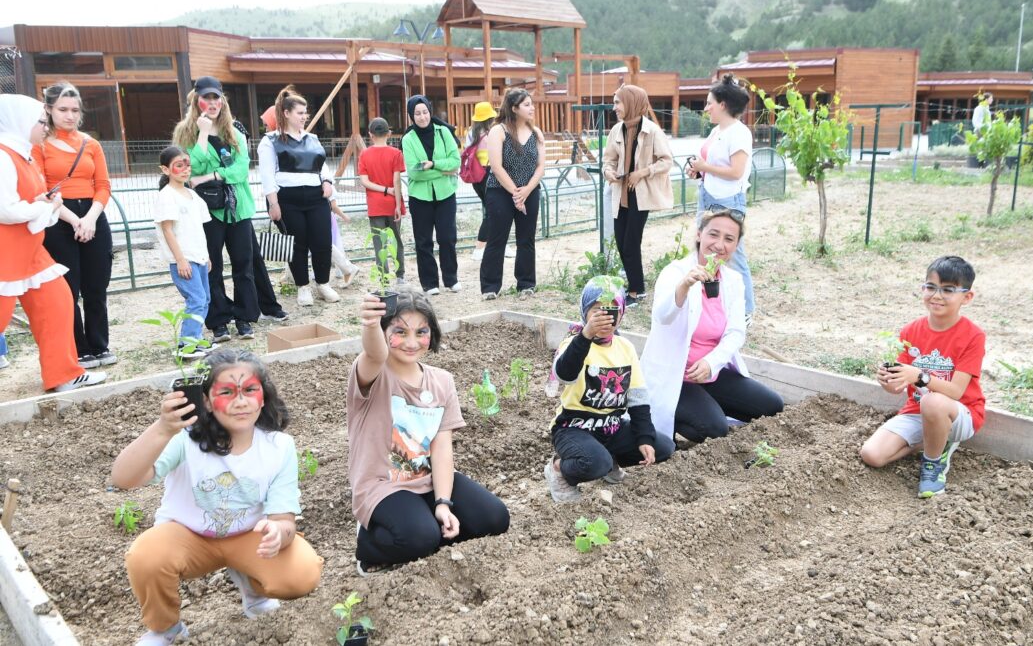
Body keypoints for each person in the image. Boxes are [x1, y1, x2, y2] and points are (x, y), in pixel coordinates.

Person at [112, 349, 323, 645]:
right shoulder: (184, 440)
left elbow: (283, 518)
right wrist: (162, 429)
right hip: (188, 535)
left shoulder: (279, 447)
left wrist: (279, 533)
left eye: (250, 390)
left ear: (263, 396)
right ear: (207, 401)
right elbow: (123, 478)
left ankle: (253, 588)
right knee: (147, 556)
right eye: (226, 392)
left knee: (302, 572)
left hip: (249, 534)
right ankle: (166, 627)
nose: (240, 401)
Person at [349, 289, 509, 572]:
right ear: (385, 333)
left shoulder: (441, 381)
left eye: (421, 332)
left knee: (495, 518)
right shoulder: (374, 374)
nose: (411, 342)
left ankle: (422, 529)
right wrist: (371, 325)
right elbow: (374, 352)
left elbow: (441, 447)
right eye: (399, 332)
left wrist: (443, 503)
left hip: (426, 481)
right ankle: (369, 542)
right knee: (421, 537)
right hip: (382, 487)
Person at [641, 205, 784, 444]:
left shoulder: (733, 280)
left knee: (772, 406)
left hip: (711, 374)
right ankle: (676, 416)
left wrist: (711, 362)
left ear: (736, 246)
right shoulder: (675, 272)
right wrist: (684, 286)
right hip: (678, 375)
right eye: (713, 234)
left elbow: (736, 332)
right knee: (715, 429)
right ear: (699, 234)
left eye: (729, 239)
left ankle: (706, 403)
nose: (719, 244)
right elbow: (662, 317)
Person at [0, 94, 106, 392]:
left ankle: (64, 373)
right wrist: (44, 208)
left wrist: (42, 202)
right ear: (19, 122)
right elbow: (5, 209)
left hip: (30, 250)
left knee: (58, 302)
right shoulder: (3, 155)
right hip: (5, 253)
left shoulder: (22, 153)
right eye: (39, 121)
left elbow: (21, 201)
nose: (44, 126)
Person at [172, 76, 286, 344]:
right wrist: (202, 133)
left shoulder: (234, 131)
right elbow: (191, 168)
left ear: (222, 101)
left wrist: (212, 174)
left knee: (244, 265)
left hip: (238, 208)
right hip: (207, 210)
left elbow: (240, 169)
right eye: (206, 98)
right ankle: (218, 320)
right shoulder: (185, 132)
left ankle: (244, 316)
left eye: (216, 98)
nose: (212, 103)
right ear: (196, 100)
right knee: (211, 266)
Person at [859, 256, 986, 499]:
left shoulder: (972, 336)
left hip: (959, 413)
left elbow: (956, 391)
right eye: (931, 287)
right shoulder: (911, 331)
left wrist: (920, 376)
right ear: (923, 289)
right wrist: (889, 381)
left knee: (933, 401)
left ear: (967, 297)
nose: (937, 295)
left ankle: (933, 463)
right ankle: (933, 442)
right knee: (872, 455)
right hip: (916, 411)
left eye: (948, 289)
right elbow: (899, 388)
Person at [543, 276, 675, 502]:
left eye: (612, 310)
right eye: (596, 310)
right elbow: (566, 374)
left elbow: (638, 398)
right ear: (584, 312)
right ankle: (558, 469)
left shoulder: (625, 347)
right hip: (573, 427)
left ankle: (609, 458)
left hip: (611, 427)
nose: (604, 317)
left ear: (621, 313)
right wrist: (586, 335)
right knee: (595, 463)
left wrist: (644, 438)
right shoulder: (573, 342)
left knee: (662, 446)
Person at [32, 82, 115, 369]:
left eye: (75, 110)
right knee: (69, 288)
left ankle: (99, 344)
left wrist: (90, 218)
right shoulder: (38, 145)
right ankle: (78, 349)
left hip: (93, 215)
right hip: (59, 218)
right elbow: (41, 186)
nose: (70, 115)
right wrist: (74, 219)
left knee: (96, 286)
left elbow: (103, 185)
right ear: (49, 109)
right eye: (63, 109)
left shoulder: (90, 144)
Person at [258, 85, 340, 308]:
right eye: (299, 113)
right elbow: (267, 175)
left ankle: (323, 283)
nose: (304, 117)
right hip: (287, 199)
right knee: (297, 244)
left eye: (305, 113)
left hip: (316, 197)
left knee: (322, 241)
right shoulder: (270, 141)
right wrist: (273, 203)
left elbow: (322, 166)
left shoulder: (312, 138)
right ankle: (302, 287)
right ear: (286, 114)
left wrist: (327, 182)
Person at [687, 75, 756, 323]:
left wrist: (706, 166)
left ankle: (746, 311)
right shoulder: (717, 131)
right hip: (707, 196)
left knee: (734, 256)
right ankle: (707, 301)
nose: (706, 108)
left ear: (723, 104)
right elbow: (712, 165)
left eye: (709, 103)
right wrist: (699, 170)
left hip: (728, 201)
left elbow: (736, 172)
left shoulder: (739, 133)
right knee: (702, 249)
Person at [601, 85, 673, 307]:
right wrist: (608, 172)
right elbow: (608, 159)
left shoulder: (652, 130)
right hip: (620, 193)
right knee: (622, 242)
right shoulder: (616, 130)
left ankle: (636, 290)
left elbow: (666, 160)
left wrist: (642, 172)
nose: (614, 108)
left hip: (640, 196)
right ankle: (634, 286)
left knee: (631, 242)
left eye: (618, 103)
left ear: (631, 103)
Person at [480, 88, 546, 301]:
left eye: (531, 103)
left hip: (530, 191)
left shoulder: (536, 133)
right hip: (500, 191)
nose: (532, 108)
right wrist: (515, 193)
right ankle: (490, 286)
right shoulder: (498, 131)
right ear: (515, 108)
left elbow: (541, 167)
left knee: (526, 239)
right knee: (496, 238)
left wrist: (526, 190)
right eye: (527, 104)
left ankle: (526, 283)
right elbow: (496, 167)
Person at [153, 146, 211, 360]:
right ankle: (186, 346)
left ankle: (194, 341)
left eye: (187, 164)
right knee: (196, 299)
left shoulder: (193, 196)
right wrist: (180, 260)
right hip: (184, 259)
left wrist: (207, 256)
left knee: (204, 299)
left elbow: (198, 229)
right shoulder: (167, 196)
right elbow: (167, 229)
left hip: (199, 257)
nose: (186, 169)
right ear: (166, 170)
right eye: (179, 165)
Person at [401, 96, 461, 295]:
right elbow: (414, 172)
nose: (422, 117)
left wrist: (434, 165)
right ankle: (430, 283)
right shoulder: (408, 139)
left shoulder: (443, 132)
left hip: (445, 194)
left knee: (447, 237)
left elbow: (455, 161)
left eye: (425, 112)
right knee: (423, 241)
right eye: (417, 113)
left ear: (430, 111)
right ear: (411, 116)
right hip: (420, 198)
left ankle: (451, 279)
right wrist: (445, 170)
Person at [358, 117, 406, 284]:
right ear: (389, 133)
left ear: (370, 135)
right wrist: (398, 205)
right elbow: (397, 181)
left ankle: (384, 278)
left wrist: (382, 190)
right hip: (393, 204)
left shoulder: (364, 154)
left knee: (379, 243)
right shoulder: (396, 153)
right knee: (397, 240)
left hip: (375, 205)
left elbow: (364, 182)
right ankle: (400, 276)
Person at [466, 101, 513, 261]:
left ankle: (501, 244)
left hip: (476, 177)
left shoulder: (471, 133)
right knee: (495, 212)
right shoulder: (494, 132)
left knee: (493, 211)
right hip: (492, 173)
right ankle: (479, 248)